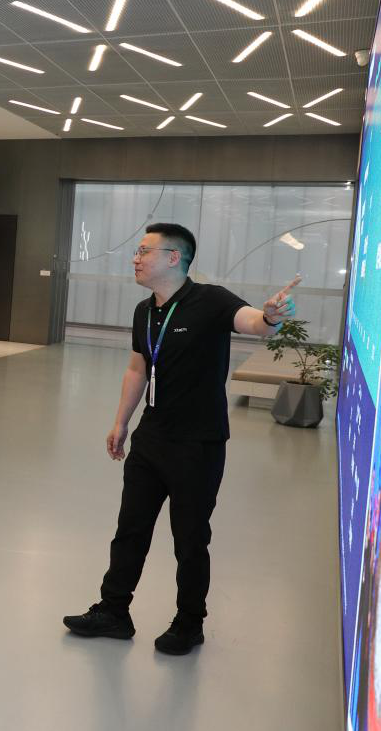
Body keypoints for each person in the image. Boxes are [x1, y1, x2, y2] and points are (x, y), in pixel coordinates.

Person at [62, 223, 300, 656]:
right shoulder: (144, 311)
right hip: (151, 437)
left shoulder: (210, 300)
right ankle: (114, 610)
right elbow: (137, 368)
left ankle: (189, 623)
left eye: (144, 251)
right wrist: (121, 422)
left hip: (197, 444)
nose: (135, 258)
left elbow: (253, 323)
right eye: (137, 251)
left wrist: (269, 317)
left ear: (174, 257)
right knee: (130, 529)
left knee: (190, 538)